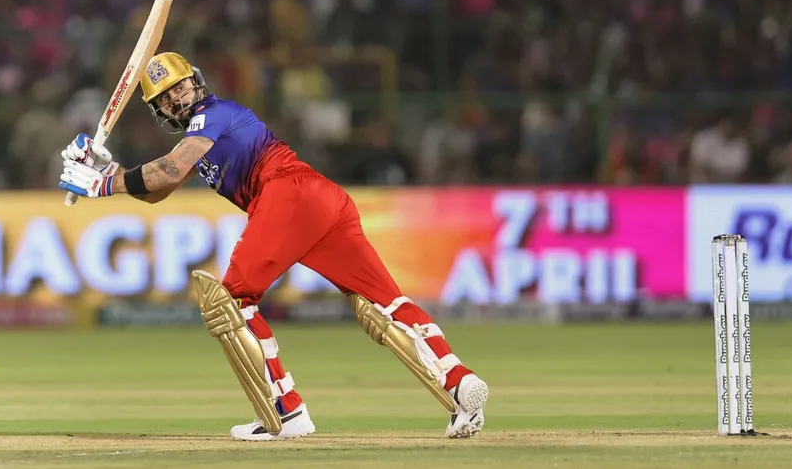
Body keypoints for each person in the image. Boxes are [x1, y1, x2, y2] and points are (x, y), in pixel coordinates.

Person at [58, 53, 488, 441]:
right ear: (159, 110)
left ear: (196, 81)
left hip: (285, 194)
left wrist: (102, 183)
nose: (177, 98)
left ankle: (286, 413)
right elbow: (156, 190)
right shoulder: (202, 132)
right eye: (166, 98)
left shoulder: (213, 115)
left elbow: (168, 172)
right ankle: (459, 383)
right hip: (324, 200)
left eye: (180, 87)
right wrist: (107, 171)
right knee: (382, 303)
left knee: (230, 302)